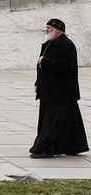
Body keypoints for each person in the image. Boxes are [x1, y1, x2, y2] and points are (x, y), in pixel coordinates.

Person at [30, 18, 88, 158]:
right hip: (50, 90)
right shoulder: (49, 44)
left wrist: (45, 61)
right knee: (69, 121)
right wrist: (38, 82)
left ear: (58, 30)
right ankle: (73, 146)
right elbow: (41, 66)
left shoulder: (66, 45)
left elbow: (66, 66)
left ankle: (47, 148)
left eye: (49, 28)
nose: (46, 30)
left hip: (61, 92)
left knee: (53, 122)